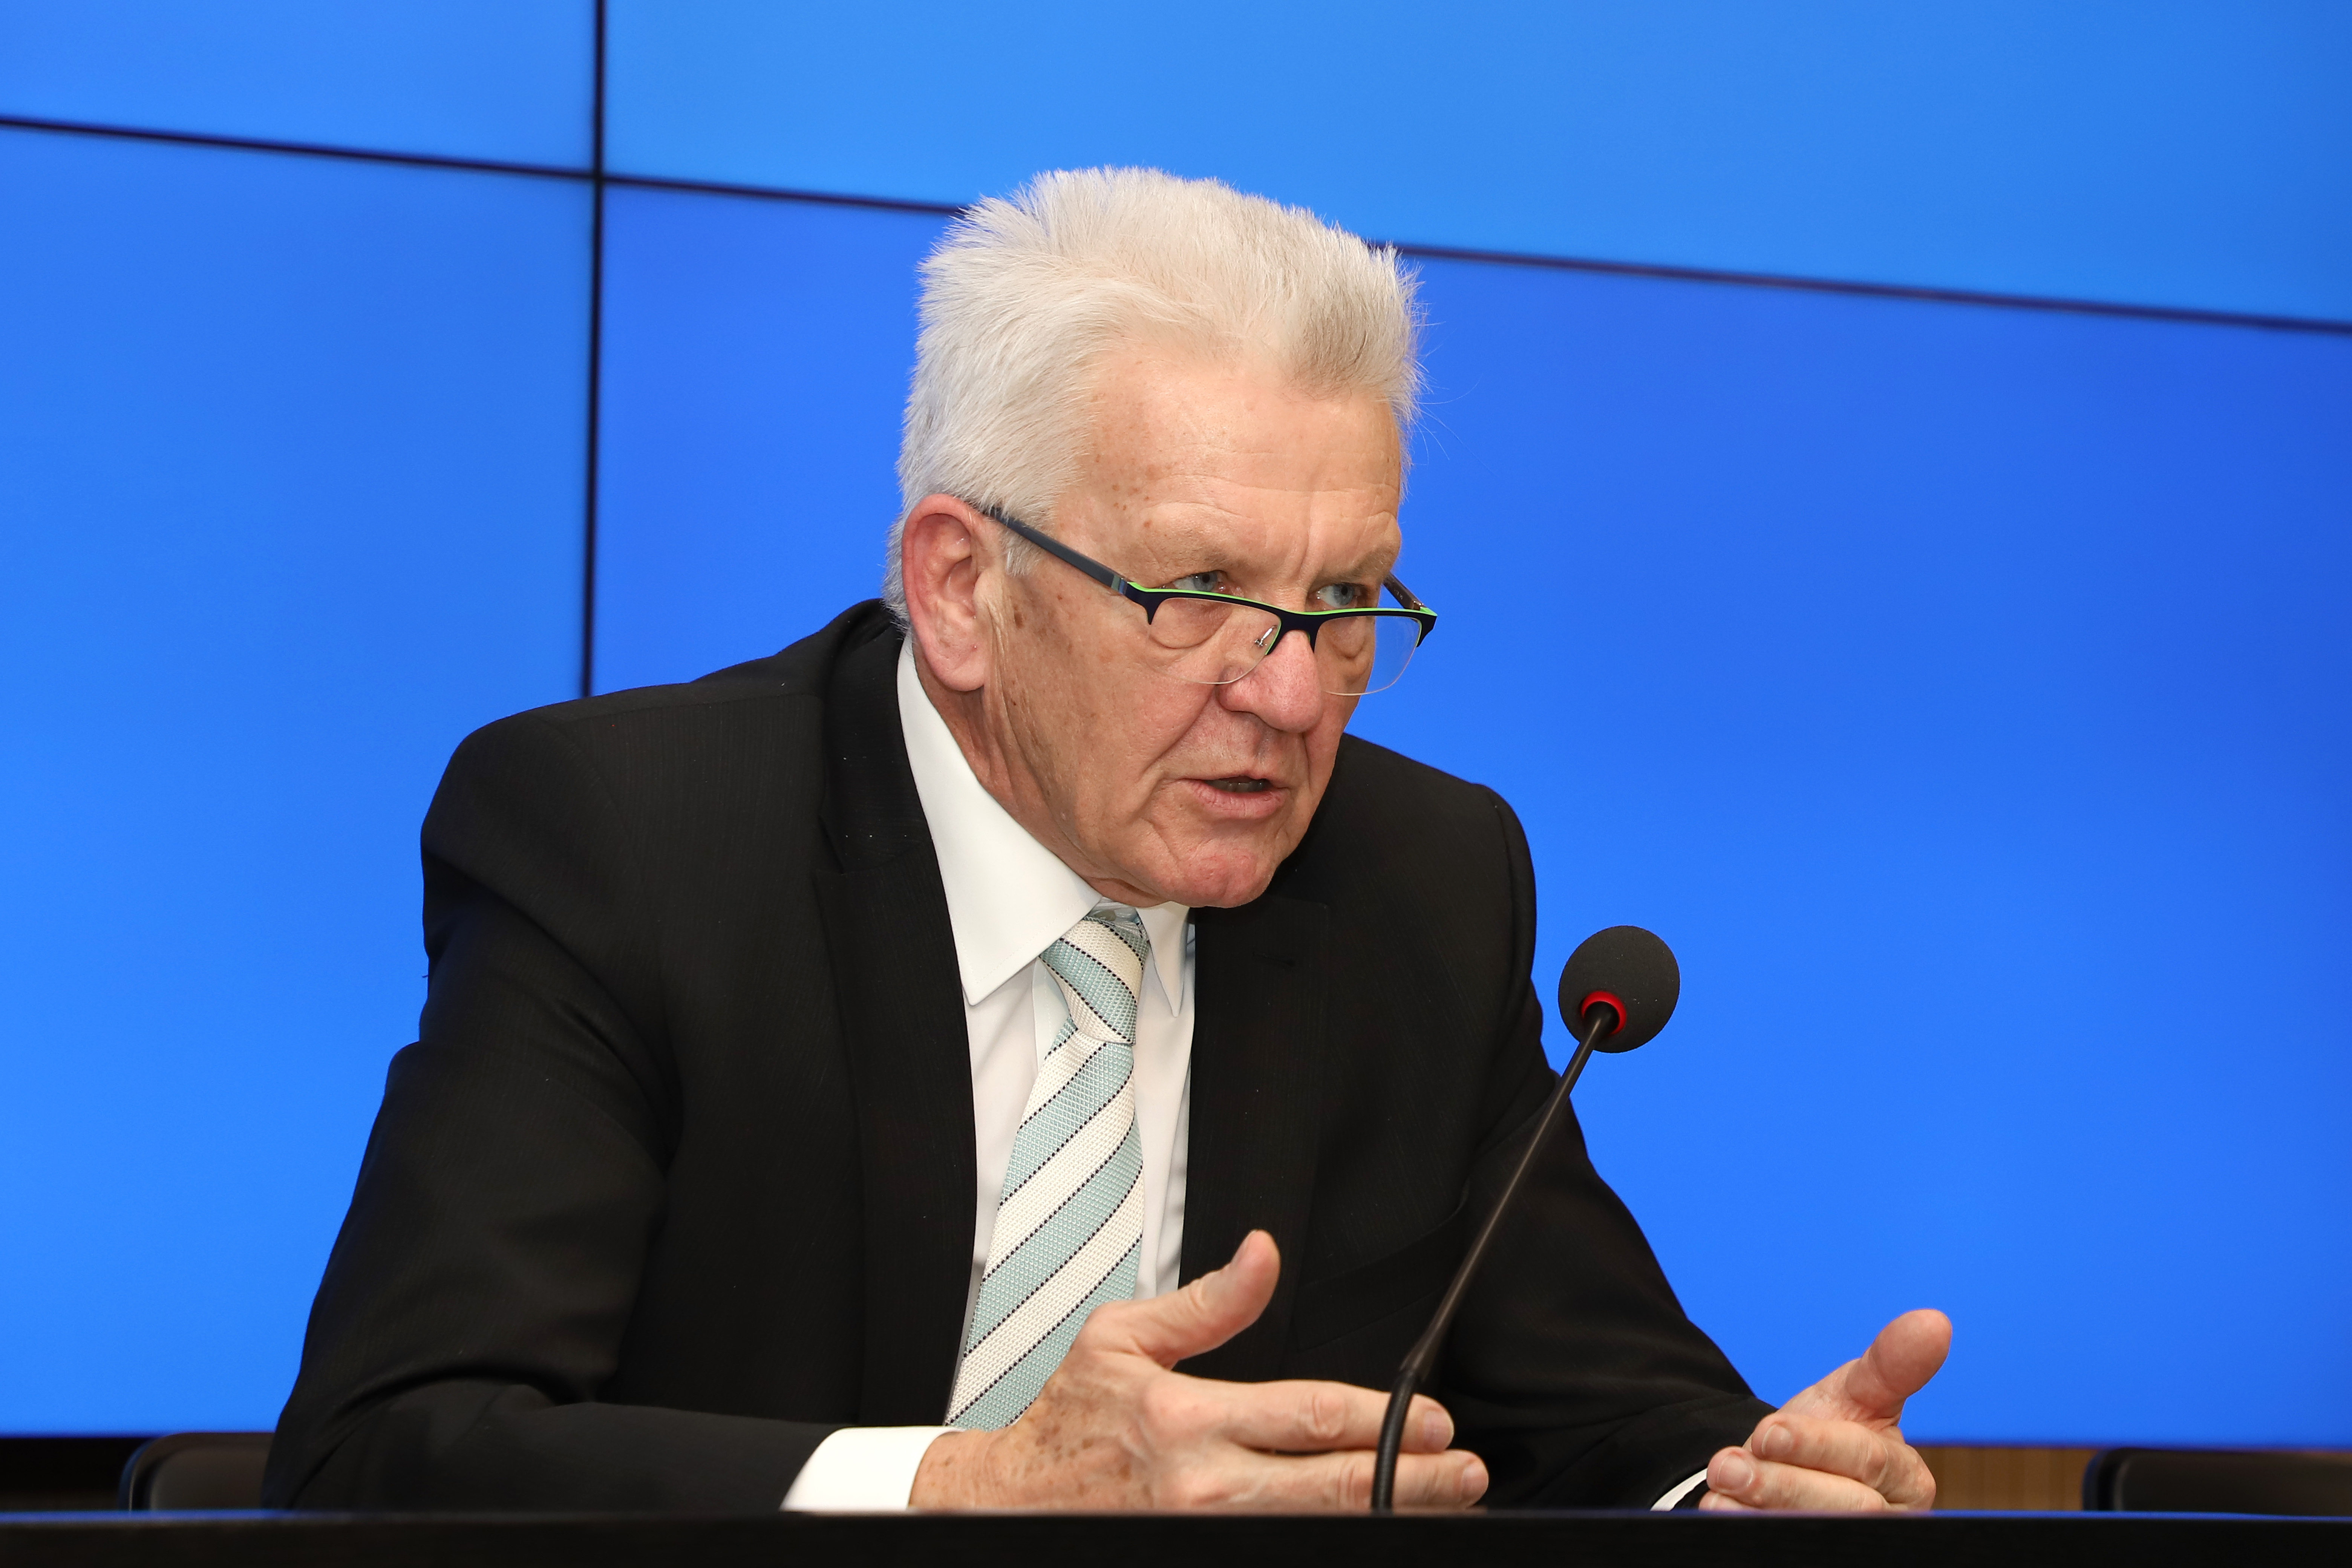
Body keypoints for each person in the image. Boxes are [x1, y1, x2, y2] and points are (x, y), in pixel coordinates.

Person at [264, 168, 1949, 1514]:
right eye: (1200, 590)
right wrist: (967, 1489)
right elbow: (387, 1453)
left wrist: (1743, 1496)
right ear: (960, 590)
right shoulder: (635, 844)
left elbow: (1603, 1415)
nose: (1291, 693)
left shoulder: (1420, 884)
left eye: (1347, 597)